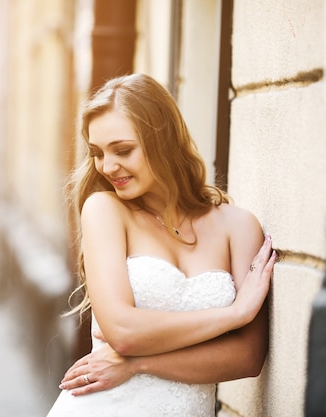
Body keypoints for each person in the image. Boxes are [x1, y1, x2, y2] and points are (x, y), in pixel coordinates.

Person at [45, 73, 276, 417]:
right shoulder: (105, 210)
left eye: (123, 150)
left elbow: (247, 357)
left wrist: (136, 365)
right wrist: (234, 314)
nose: (108, 166)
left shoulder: (239, 226)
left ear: (163, 140)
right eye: (97, 153)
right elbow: (122, 332)